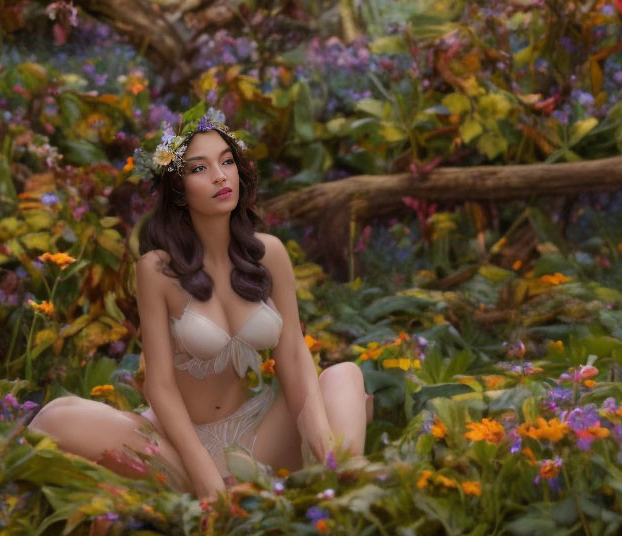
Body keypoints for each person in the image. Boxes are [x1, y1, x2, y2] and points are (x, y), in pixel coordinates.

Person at [27, 107, 372, 500]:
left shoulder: (269, 254)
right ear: (178, 190)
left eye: (227, 162)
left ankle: (336, 485)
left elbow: (292, 351)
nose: (220, 176)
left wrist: (318, 434)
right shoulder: (157, 269)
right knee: (57, 418)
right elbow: (159, 384)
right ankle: (221, 489)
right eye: (199, 168)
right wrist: (204, 474)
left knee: (344, 377)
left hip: (258, 433)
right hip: (181, 445)